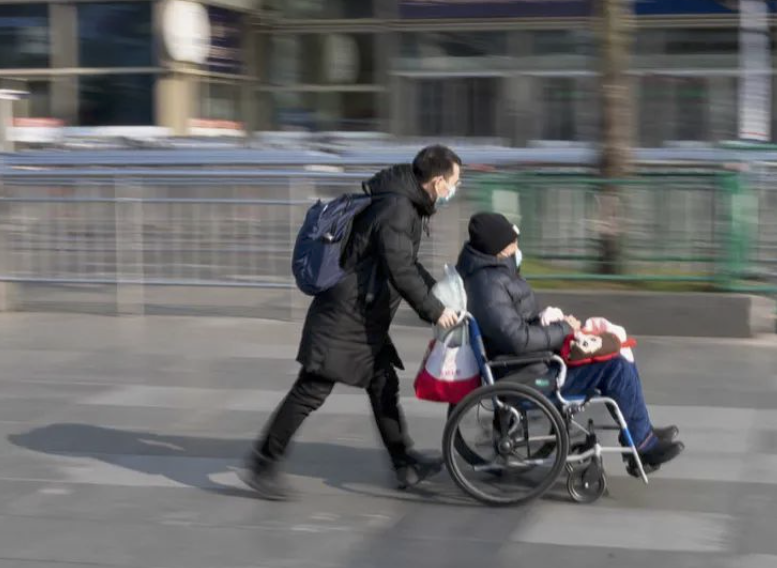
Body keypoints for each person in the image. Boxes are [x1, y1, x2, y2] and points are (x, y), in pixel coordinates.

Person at [240, 145, 465, 500]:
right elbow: (400, 269)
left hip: (362, 312)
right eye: (454, 182)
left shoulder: (403, 201)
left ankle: (404, 463)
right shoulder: (397, 209)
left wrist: (437, 293)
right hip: (346, 315)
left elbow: (405, 262)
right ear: (437, 181)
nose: (454, 189)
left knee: (383, 383)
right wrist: (434, 310)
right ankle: (262, 464)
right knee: (310, 390)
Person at [456, 212, 684, 475]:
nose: (517, 249)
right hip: (531, 376)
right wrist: (563, 329)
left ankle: (640, 431)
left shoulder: (494, 275)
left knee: (616, 347)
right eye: (512, 244)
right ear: (497, 249)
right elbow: (517, 339)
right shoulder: (489, 286)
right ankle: (643, 446)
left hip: (534, 363)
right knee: (615, 367)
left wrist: (556, 323)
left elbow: (518, 327)